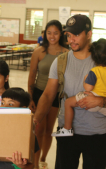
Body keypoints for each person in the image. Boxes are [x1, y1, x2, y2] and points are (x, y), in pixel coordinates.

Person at [33, 14, 106, 169]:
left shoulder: (103, 60)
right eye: (69, 35)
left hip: (97, 135)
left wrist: (101, 101)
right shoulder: (61, 61)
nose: (71, 40)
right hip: (67, 133)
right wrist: (35, 120)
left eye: (76, 35)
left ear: (89, 34)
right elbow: (48, 95)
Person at [56, 39, 106, 148]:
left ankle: (67, 128)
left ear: (94, 58)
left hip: (89, 101)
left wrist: (86, 79)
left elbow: (88, 87)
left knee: (68, 103)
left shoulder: (95, 71)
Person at [28, 20, 68, 169]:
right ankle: (36, 161)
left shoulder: (66, 53)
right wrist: (30, 96)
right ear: (45, 34)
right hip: (39, 93)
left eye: (56, 33)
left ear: (61, 34)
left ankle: (44, 157)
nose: (52, 36)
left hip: (56, 95)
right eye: (49, 33)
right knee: (38, 128)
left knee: (48, 129)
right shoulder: (38, 51)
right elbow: (32, 75)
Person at [0, 88, 36, 169]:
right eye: (2, 103)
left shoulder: (27, 133)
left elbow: (31, 166)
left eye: (11, 104)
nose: (4, 107)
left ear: (22, 109)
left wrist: (21, 166)